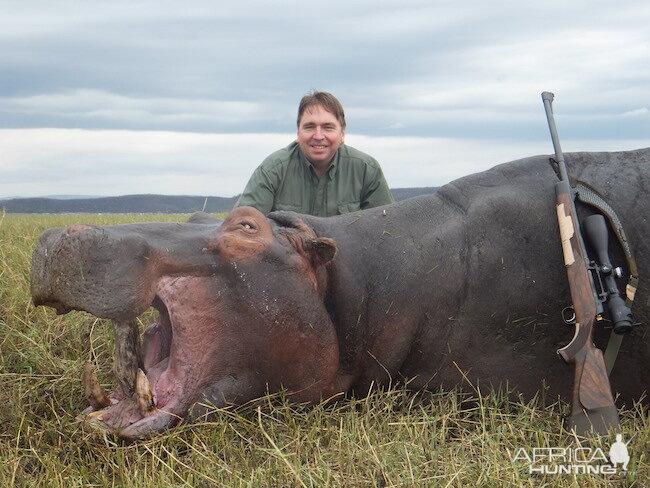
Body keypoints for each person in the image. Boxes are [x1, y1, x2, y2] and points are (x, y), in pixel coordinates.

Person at [235, 91, 394, 216]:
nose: (318, 136)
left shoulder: (366, 169)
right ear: (298, 133)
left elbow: (387, 228)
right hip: (288, 256)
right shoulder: (272, 170)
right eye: (309, 127)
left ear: (342, 134)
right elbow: (243, 224)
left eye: (328, 127)